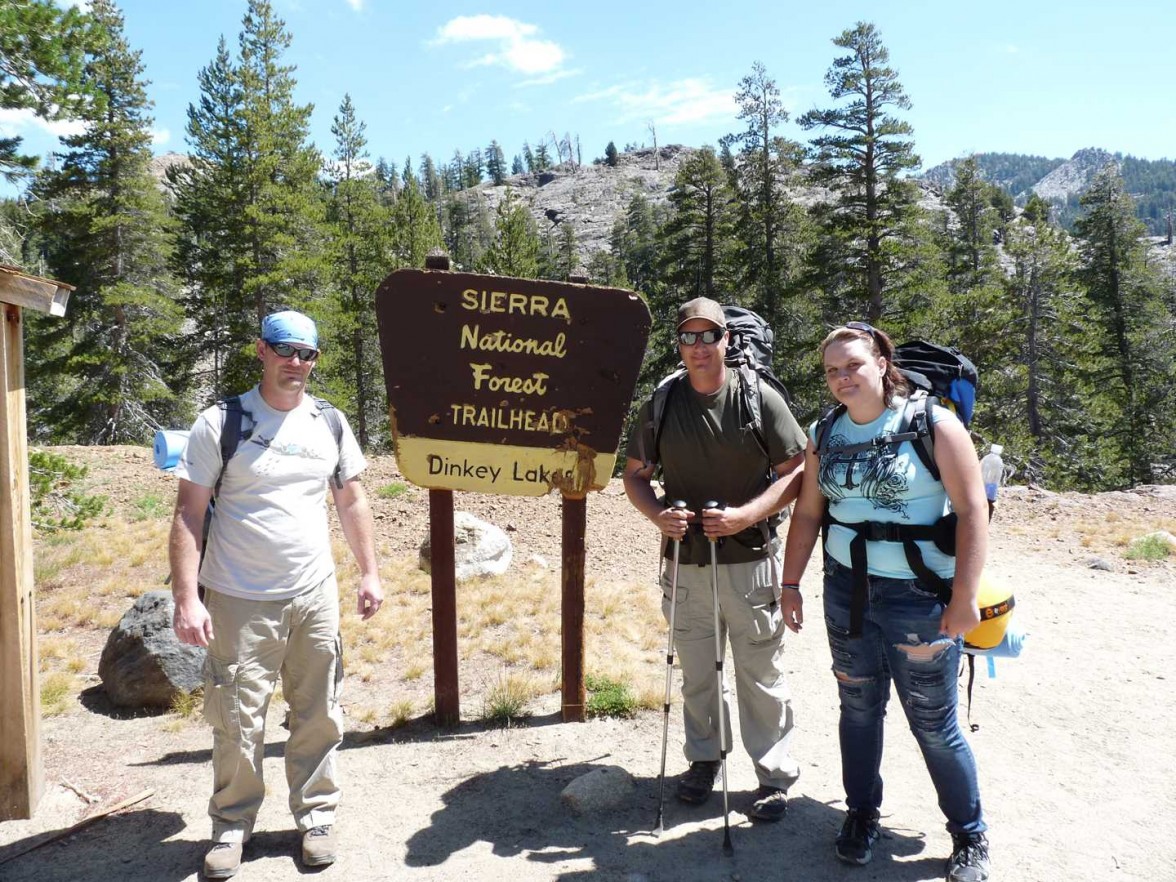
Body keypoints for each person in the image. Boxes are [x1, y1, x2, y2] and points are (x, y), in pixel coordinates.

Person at [169, 310, 384, 879]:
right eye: (285, 350)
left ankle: (315, 819)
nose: (297, 363)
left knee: (319, 711)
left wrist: (369, 572)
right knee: (238, 718)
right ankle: (232, 826)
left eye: (307, 354)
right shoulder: (221, 422)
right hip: (239, 595)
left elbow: (351, 499)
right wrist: (186, 599)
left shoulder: (329, 423)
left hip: (314, 592)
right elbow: (189, 513)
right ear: (261, 350)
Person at [781, 322, 991, 881]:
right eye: (832, 370)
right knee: (857, 708)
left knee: (933, 722)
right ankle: (861, 814)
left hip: (920, 597)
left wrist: (964, 599)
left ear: (881, 362)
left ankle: (969, 834)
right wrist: (790, 583)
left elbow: (973, 512)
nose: (843, 377)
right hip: (847, 591)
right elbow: (807, 513)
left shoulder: (932, 424)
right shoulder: (825, 430)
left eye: (853, 364)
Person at [623, 296, 806, 822]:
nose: (699, 347)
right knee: (698, 673)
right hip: (685, 562)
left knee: (759, 672)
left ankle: (772, 775)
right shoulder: (661, 404)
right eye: (689, 337)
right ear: (679, 344)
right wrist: (660, 515)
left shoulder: (758, 398)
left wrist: (746, 516)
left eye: (709, 336)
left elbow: (796, 473)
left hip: (749, 560)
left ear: (727, 340)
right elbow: (636, 474)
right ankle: (704, 760)